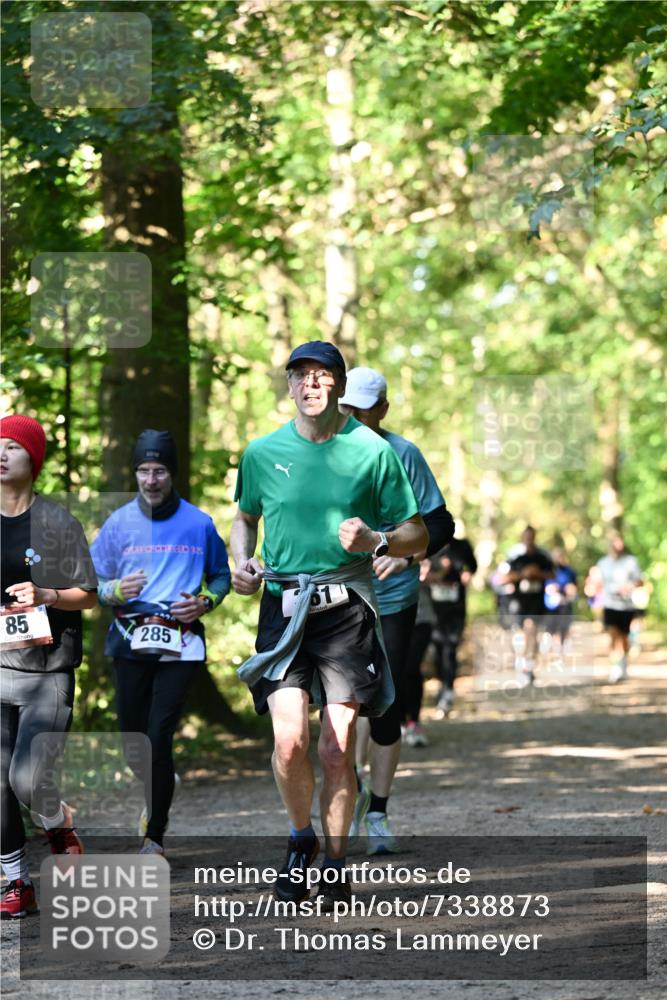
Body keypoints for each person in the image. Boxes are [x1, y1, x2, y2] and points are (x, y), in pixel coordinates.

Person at [230, 343, 427, 907]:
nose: (311, 385)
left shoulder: (371, 451)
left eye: (322, 376)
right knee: (290, 741)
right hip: (283, 605)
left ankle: (337, 865)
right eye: (301, 377)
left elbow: (417, 533)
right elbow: (245, 517)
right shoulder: (262, 452)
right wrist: (240, 563)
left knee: (338, 749)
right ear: (289, 386)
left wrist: (377, 541)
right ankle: (300, 840)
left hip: (347, 610)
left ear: (338, 386)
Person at [91, 429, 231, 855]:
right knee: (135, 741)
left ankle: (154, 834)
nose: (151, 480)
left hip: (181, 644)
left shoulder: (199, 523)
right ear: (135, 473)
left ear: (172, 474)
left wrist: (205, 602)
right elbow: (91, 582)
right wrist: (114, 590)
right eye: (144, 471)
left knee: (158, 735)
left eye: (160, 471)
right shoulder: (118, 524)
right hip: (128, 641)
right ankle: (160, 779)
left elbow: (221, 577)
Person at [338, 367, 453, 854]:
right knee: (343, 708)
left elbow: (441, 524)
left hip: (393, 601)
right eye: (352, 408)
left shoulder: (404, 454)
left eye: (369, 408)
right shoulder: (323, 453)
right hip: (337, 599)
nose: (360, 417)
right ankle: (351, 796)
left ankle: (378, 812)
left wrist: (405, 556)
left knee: (386, 703)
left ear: (383, 408)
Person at [1, 415, 98, 919]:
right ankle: (16, 883)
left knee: (26, 778)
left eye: (12, 445)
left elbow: (89, 595)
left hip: (47, 671)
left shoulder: (58, 523)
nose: (0, 453)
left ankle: (58, 824)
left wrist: (47, 595)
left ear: (32, 459)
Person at [429, 529, 478, 716]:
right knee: (437, 650)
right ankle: (441, 685)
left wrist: (466, 573)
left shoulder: (462, 546)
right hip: (434, 609)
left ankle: (448, 690)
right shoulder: (429, 544)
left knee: (451, 647)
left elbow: (472, 566)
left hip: (456, 608)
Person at [498, 526, 554, 686]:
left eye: (531, 536)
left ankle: (528, 667)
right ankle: (521, 663)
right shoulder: (514, 556)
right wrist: (523, 574)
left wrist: (538, 574)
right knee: (520, 636)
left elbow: (552, 574)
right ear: (522, 537)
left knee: (532, 631)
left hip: (536, 602)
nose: (529, 539)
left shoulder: (542, 556)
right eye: (526, 536)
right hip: (517, 602)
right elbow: (502, 577)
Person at [589, 532, 644, 683]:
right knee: (613, 634)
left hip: (626, 606)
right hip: (610, 604)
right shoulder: (603, 563)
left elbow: (641, 581)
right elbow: (597, 582)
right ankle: (616, 668)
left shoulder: (631, 562)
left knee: (624, 637)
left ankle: (623, 663)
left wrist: (629, 586)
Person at [543, 547, 578, 665]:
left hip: (565, 604)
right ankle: (555, 651)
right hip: (550, 605)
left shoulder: (569, 572)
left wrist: (569, 590)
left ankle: (560, 653)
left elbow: (574, 587)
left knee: (564, 628)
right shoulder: (547, 571)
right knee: (552, 629)